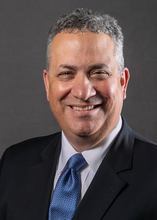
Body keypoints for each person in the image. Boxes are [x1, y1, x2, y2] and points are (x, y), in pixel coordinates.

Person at [0, 8, 157, 220]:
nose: (83, 92)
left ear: (123, 82)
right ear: (48, 84)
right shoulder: (14, 164)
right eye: (66, 73)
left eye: (99, 73)